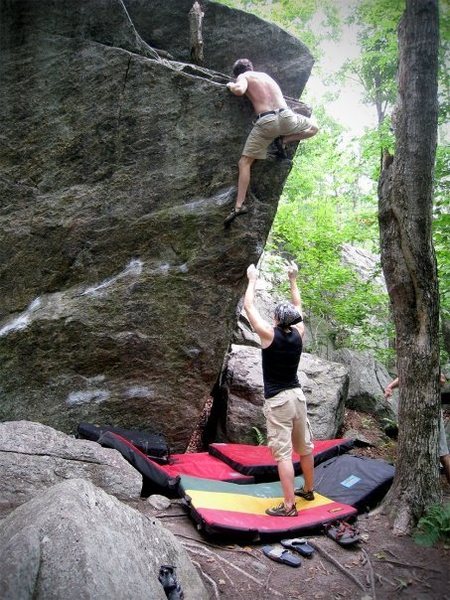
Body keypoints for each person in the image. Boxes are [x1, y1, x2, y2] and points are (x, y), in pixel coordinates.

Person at [243, 260, 314, 516]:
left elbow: (248, 306)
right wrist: (293, 278)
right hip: (298, 397)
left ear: (275, 319)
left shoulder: (268, 335)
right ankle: (307, 489)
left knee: (283, 455)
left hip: (279, 401)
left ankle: (288, 506)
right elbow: (298, 306)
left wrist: (252, 278)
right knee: (304, 448)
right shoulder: (299, 332)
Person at [224, 58, 318, 226]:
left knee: (245, 163)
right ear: (252, 67)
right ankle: (285, 140)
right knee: (314, 128)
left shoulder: (244, 77)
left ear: (238, 72)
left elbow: (239, 91)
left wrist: (231, 85)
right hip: (287, 118)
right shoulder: (267, 77)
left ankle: (239, 206)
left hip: (267, 123)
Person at [384, 373, 450, 484]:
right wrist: (390, 386)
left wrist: (427, 376)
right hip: (412, 413)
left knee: (443, 455)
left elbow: (442, 380)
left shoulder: (431, 359)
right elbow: (404, 375)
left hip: (431, 412)